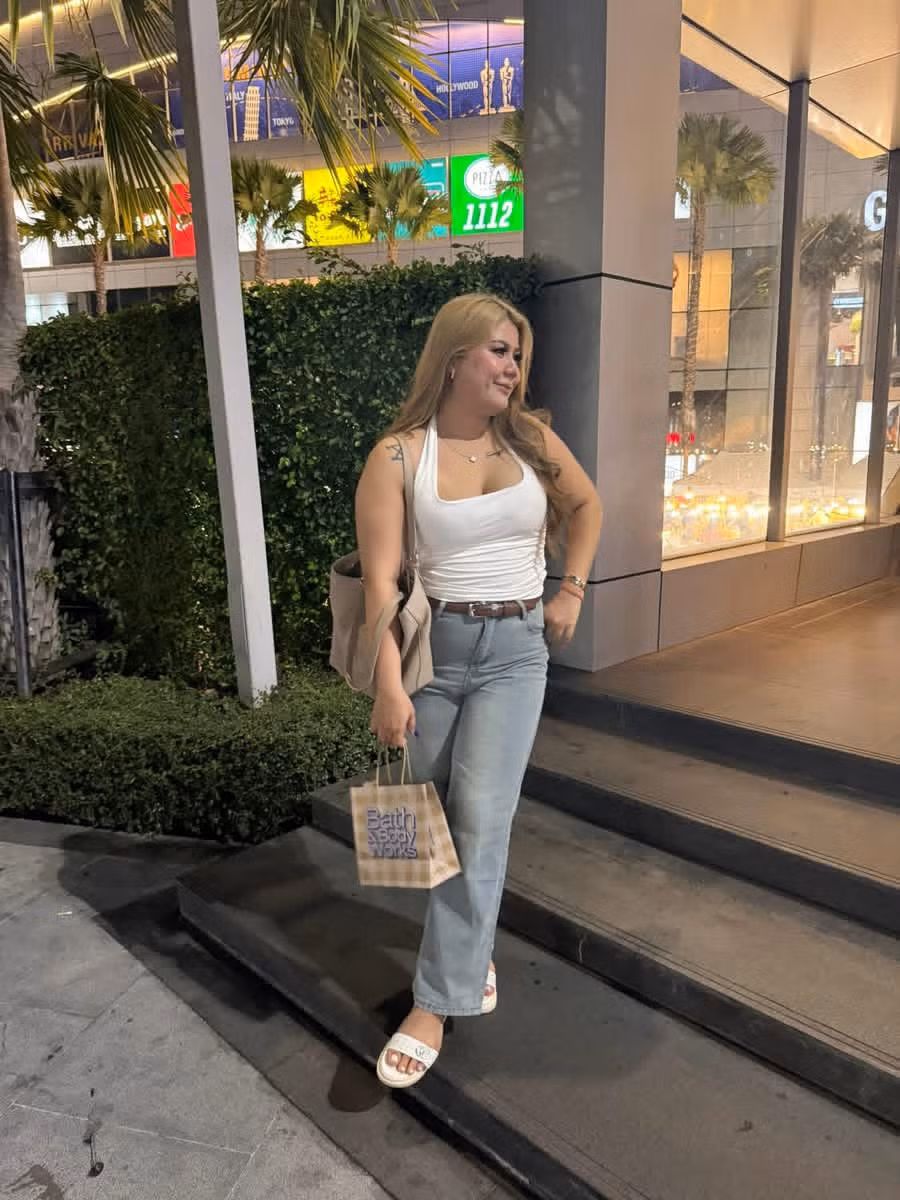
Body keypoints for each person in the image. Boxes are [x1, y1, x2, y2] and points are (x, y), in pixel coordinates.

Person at [354, 293, 603, 1088]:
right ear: (455, 357)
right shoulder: (399, 456)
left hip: (516, 654)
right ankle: (469, 945)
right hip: (435, 652)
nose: (512, 367)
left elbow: (587, 504)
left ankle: (438, 1000)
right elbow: (380, 588)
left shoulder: (530, 439)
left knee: (482, 820)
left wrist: (571, 589)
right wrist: (387, 688)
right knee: (418, 818)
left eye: (517, 355)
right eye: (499, 350)